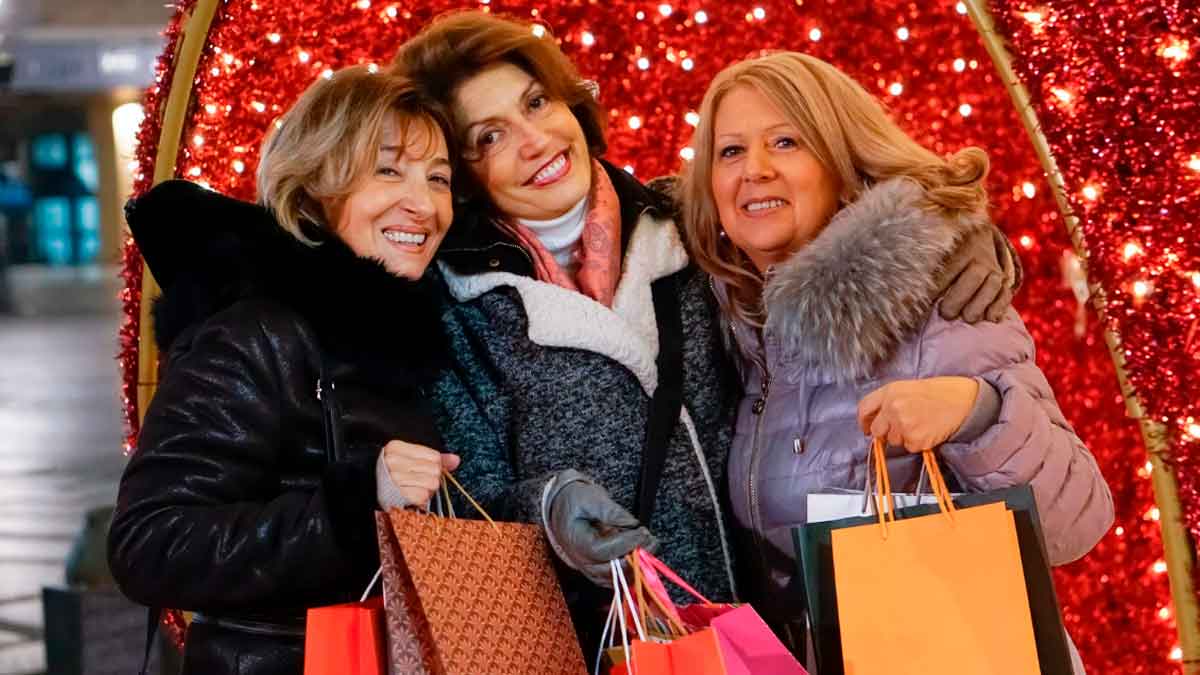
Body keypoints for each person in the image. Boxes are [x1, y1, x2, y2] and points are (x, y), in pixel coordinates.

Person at [392, 10, 1021, 646]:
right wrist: (550, 506)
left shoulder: (694, 227)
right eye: (490, 137)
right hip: (593, 645)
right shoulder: (454, 308)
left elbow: (832, 219)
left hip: (761, 637)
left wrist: (950, 238)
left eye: (536, 102)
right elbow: (466, 508)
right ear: (463, 173)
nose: (534, 141)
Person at [678, 51, 1114, 665]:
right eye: (730, 151)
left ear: (840, 162)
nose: (755, 169)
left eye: (786, 141)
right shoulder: (727, 326)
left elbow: (1079, 521)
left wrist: (978, 414)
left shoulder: (938, 299)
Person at [107, 67, 461, 674]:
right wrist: (356, 505)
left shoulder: (411, 340)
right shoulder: (257, 334)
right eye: (387, 170)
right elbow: (149, 543)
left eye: (438, 179)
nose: (423, 204)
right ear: (314, 186)